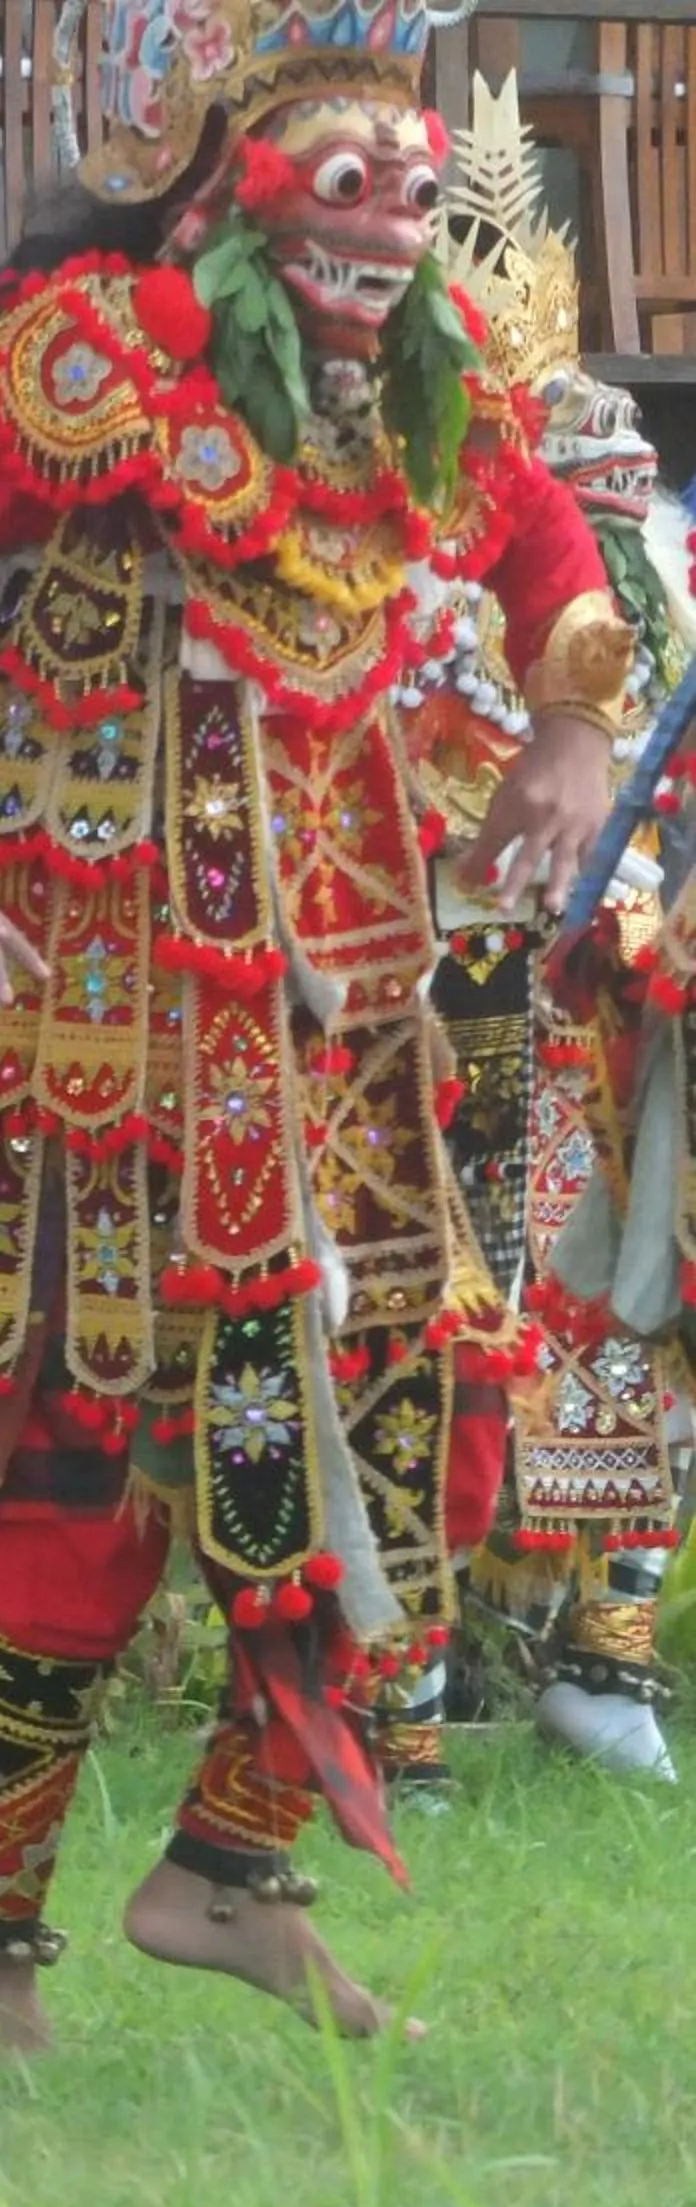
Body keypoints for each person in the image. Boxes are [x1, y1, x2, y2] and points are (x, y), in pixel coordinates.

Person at [0, 0, 631, 2061]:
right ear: (232, 196)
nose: (392, 229)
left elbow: (543, 536)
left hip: (347, 1061)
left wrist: (574, 717)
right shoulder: (92, 363)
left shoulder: (424, 395)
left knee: (424, 1453)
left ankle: (221, 1878)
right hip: (97, 1046)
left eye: (417, 196)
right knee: (70, 1505)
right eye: (348, 188)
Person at [382, 75, 692, 1788]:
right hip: (436, 964)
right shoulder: (388, 537)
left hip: (606, 971)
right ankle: (395, 1692)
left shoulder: (627, 545)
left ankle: (607, 1640)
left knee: (637, 1301)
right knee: (432, 1312)